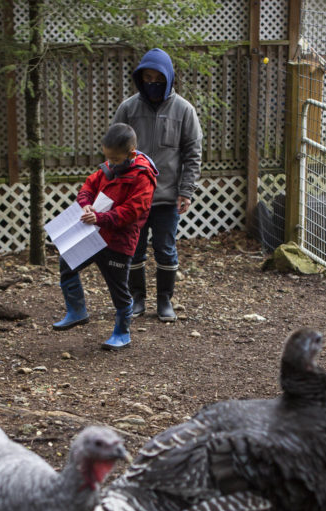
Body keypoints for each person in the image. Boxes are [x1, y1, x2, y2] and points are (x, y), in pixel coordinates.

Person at [112, 48, 202, 322]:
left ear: (169, 79)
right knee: (134, 249)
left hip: (166, 197)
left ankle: (165, 301)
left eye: (158, 79)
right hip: (133, 199)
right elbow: (114, 149)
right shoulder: (128, 108)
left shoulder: (184, 110)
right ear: (140, 79)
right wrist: (116, 187)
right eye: (147, 78)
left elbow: (192, 153)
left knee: (165, 249)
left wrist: (186, 191)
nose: (152, 83)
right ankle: (137, 299)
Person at [52, 123, 157, 350]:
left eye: (116, 159)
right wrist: (86, 206)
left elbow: (133, 210)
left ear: (130, 154)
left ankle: (122, 333)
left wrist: (101, 218)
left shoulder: (142, 176)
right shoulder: (108, 168)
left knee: (118, 287)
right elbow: (87, 187)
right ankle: (77, 311)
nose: (111, 163)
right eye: (107, 158)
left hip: (118, 242)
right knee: (67, 263)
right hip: (93, 233)